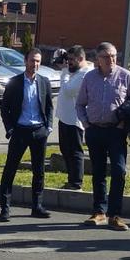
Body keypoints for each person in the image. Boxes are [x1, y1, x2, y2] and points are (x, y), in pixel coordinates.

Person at [75, 42, 130, 231]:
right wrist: (86, 124)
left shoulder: (126, 76)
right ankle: (99, 212)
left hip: (116, 131)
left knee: (119, 172)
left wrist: (124, 124)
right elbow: (80, 104)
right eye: (106, 57)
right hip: (95, 130)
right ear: (98, 59)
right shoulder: (89, 78)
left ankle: (116, 215)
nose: (111, 59)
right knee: (98, 172)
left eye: (113, 56)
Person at [0, 49, 54, 221]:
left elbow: (49, 106)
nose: (35, 64)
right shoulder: (15, 82)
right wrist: (10, 129)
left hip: (39, 131)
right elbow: (4, 109)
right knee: (10, 169)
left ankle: (37, 206)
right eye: (32, 61)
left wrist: (48, 127)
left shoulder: (44, 82)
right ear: (25, 61)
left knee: (39, 171)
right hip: (20, 131)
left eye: (38, 61)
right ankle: (5, 209)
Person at [55, 45, 89, 191]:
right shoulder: (75, 71)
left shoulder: (85, 74)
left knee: (75, 151)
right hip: (64, 117)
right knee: (65, 150)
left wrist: (64, 70)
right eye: (67, 60)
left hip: (75, 120)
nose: (68, 63)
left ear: (81, 58)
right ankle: (71, 179)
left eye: (71, 60)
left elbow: (68, 90)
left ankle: (76, 182)